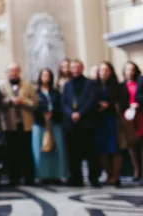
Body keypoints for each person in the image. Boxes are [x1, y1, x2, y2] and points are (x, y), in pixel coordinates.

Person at [61, 59, 101, 187]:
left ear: (82, 68)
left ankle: (93, 178)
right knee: (73, 153)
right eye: (73, 68)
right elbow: (63, 103)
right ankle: (76, 178)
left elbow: (92, 100)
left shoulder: (90, 83)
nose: (75, 70)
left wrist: (80, 113)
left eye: (78, 67)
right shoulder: (67, 85)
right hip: (71, 124)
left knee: (91, 153)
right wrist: (70, 113)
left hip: (87, 123)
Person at [0, 63, 37, 186]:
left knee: (26, 152)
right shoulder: (2, 85)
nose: (13, 73)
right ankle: (13, 179)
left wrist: (22, 101)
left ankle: (29, 178)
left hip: (25, 124)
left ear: (19, 71)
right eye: (11, 71)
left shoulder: (28, 85)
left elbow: (35, 103)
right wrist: (10, 100)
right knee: (11, 153)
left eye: (15, 70)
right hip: (9, 124)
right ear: (8, 72)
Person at [32, 68, 67, 184]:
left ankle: (56, 175)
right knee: (40, 150)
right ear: (40, 77)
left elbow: (61, 105)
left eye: (48, 75)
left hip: (54, 123)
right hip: (40, 124)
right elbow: (33, 106)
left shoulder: (56, 92)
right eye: (43, 75)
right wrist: (43, 113)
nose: (46, 78)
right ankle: (42, 175)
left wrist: (53, 113)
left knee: (57, 149)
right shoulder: (35, 92)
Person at [95, 62, 122, 186]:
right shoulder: (95, 86)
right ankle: (109, 174)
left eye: (106, 70)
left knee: (114, 148)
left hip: (112, 119)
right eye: (101, 70)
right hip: (99, 120)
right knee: (102, 150)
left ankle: (115, 176)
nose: (103, 72)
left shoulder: (117, 86)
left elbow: (120, 101)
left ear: (110, 72)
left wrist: (109, 105)